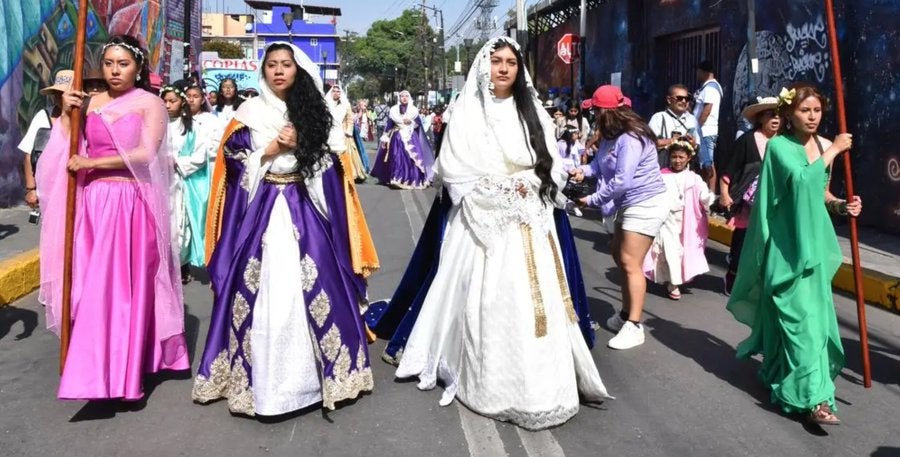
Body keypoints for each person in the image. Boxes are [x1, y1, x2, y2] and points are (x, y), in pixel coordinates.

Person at [385, 36, 610, 430]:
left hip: (530, 215)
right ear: (484, 66)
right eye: (496, 61)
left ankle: (542, 384)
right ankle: (487, 377)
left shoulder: (533, 112)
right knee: (484, 302)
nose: (503, 68)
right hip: (483, 218)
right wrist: (499, 191)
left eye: (510, 61)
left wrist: (534, 185)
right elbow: (454, 167)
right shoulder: (469, 112)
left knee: (536, 303)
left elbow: (553, 163)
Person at [194, 42, 375, 417]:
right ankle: (263, 385)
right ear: (264, 71)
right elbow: (233, 163)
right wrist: (273, 148)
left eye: (286, 65)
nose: (279, 71)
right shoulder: (249, 113)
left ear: (298, 70)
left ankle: (315, 380)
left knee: (316, 283)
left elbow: (333, 165)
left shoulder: (314, 112)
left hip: (305, 205)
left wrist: (306, 145)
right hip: (262, 209)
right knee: (264, 292)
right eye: (272, 65)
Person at [37, 35, 189, 401]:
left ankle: (124, 371)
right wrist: (66, 113)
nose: (115, 71)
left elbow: (144, 153)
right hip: (91, 204)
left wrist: (93, 163)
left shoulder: (150, 104)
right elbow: (69, 148)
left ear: (137, 68)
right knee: (90, 286)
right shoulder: (90, 102)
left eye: (123, 64)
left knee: (122, 290)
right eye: (108, 64)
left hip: (130, 203)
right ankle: (91, 366)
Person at [726, 84, 861, 425]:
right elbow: (801, 181)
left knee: (815, 328)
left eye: (817, 110)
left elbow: (820, 192)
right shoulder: (779, 148)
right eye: (805, 111)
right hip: (786, 253)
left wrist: (843, 205)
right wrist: (834, 153)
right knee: (797, 325)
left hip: (814, 247)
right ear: (789, 115)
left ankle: (815, 397)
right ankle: (812, 396)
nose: (813, 117)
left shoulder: (822, 145)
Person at [571, 85, 668, 350]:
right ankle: (625, 314)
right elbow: (599, 165)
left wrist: (592, 200)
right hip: (628, 204)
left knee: (629, 261)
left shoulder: (631, 137)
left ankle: (634, 325)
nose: (594, 116)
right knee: (619, 255)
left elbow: (622, 180)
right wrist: (581, 171)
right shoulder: (610, 136)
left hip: (646, 202)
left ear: (606, 111)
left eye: (596, 110)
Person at [718, 96, 780, 295]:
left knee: (769, 243)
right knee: (742, 242)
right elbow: (730, 168)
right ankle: (733, 276)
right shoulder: (747, 140)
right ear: (760, 118)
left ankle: (761, 280)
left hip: (774, 203)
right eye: (771, 114)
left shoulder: (784, 142)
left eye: (778, 115)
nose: (776, 118)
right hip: (747, 204)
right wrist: (724, 194)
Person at [642, 141, 715, 300]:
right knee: (670, 249)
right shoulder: (661, 175)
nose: (677, 160)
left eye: (681, 157)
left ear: (688, 158)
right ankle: (674, 283)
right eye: (674, 156)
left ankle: (675, 277)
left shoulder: (693, 178)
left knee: (682, 251)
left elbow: (703, 194)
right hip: (665, 219)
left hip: (686, 221)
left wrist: (710, 201)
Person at [161, 80, 213, 283]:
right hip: (159, 180)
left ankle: (180, 264)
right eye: (164, 101)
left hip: (180, 181)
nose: (167, 105)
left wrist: (178, 162)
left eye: (172, 101)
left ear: (181, 102)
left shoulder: (192, 127)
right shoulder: (157, 123)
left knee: (179, 224)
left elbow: (201, 154)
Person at [19, 69, 71, 211]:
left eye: (65, 94)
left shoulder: (84, 119)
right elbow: (29, 153)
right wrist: (31, 188)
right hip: (48, 187)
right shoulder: (43, 116)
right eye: (58, 94)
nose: (61, 98)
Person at [371, 90, 435, 189]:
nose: (404, 98)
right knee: (396, 157)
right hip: (397, 137)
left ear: (409, 98)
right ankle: (397, 178)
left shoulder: (413, 110)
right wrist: (385, 137)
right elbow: (389, 124)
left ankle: (411, 179)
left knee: (411, 159)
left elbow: (419, 125)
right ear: (399, 98)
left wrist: (411, 122)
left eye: (406, 96)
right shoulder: (394, 110)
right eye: (402, 96)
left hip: (410, 137)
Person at [648, 84, 699, 168]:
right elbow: (649, 143)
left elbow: (697, 147)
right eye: (679, 98)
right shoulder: (658, 117)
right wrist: (672, 141)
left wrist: (693, 144)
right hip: (662, 170)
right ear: (669, 100)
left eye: (686, 99)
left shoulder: (692, 120)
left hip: (685, 172)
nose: (683, 101)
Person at [327, 84, 368, 182]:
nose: (336, 93)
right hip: (329, 132)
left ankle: (347, 173)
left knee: (345, 154)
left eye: (338, 91)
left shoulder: (346, 104)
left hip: (342, 133)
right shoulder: (326, 104)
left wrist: (348, 131)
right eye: (334, 91)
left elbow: (349, 119)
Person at [693, 61, 723, 193]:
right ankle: (705, 191)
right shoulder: (708, 88)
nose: (697, 74)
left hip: (705, 131)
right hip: (704, 130)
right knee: (704, 163)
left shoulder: (711, 88)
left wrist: (696, 127)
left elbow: (707, 109)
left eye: (698, 71)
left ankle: (710, 194)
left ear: (704, 72)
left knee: (708, 163)